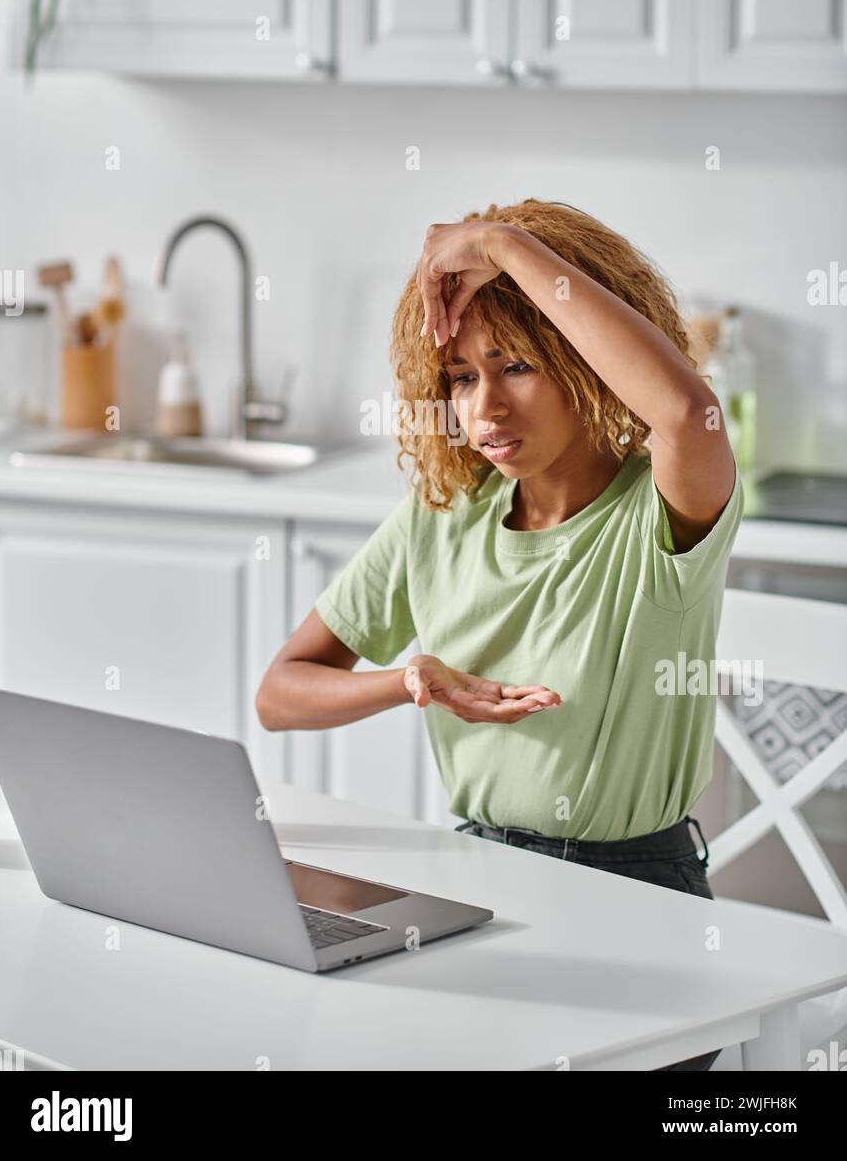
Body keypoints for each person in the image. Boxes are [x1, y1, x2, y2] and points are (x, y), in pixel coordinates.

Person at [256, 198, 744, 1071]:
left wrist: (499, 246)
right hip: (473, 879)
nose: (484, 407)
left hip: (637, 899)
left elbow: (684, 410)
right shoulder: (442, 518)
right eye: (459, 375)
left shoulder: (660, 508)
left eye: (516, 365)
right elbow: (281, 692)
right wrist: (408, 681)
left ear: (585, 364)